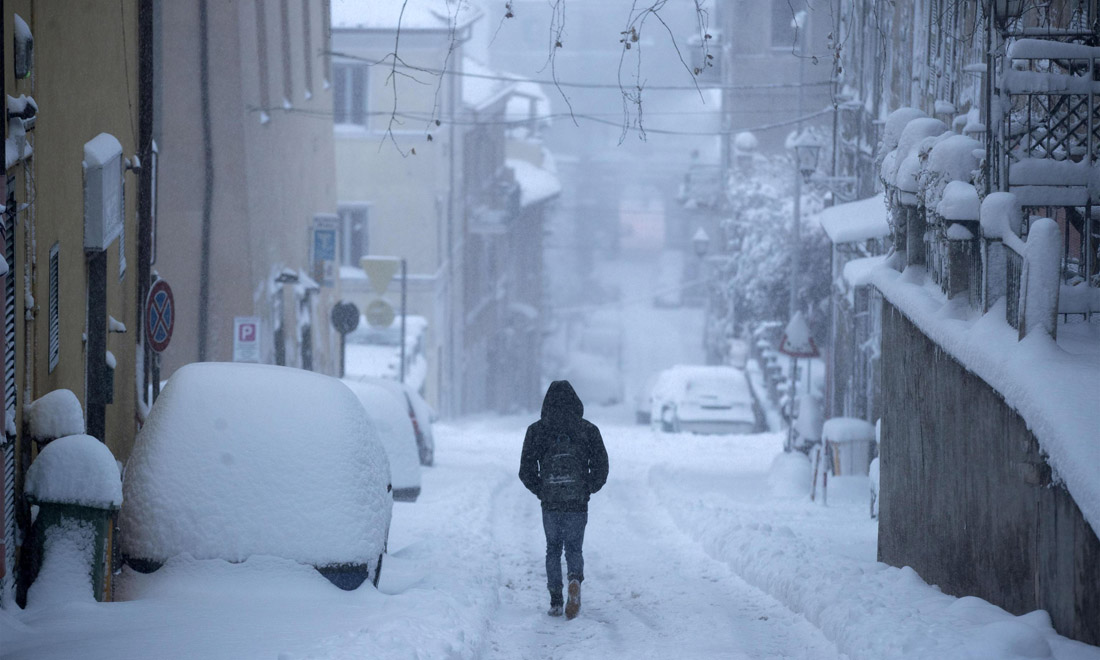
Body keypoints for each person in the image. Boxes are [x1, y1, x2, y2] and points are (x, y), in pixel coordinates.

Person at [519, 380, 609, 619]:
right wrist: (587, 488)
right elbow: (602, 466)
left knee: (552, 549)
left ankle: (556, 600)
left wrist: (542, 490)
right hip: (577, 502)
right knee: (574, 548)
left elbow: (525, 470)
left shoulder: (537, 430)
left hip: (551, 503)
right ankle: (574, 581)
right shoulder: (587, 430)